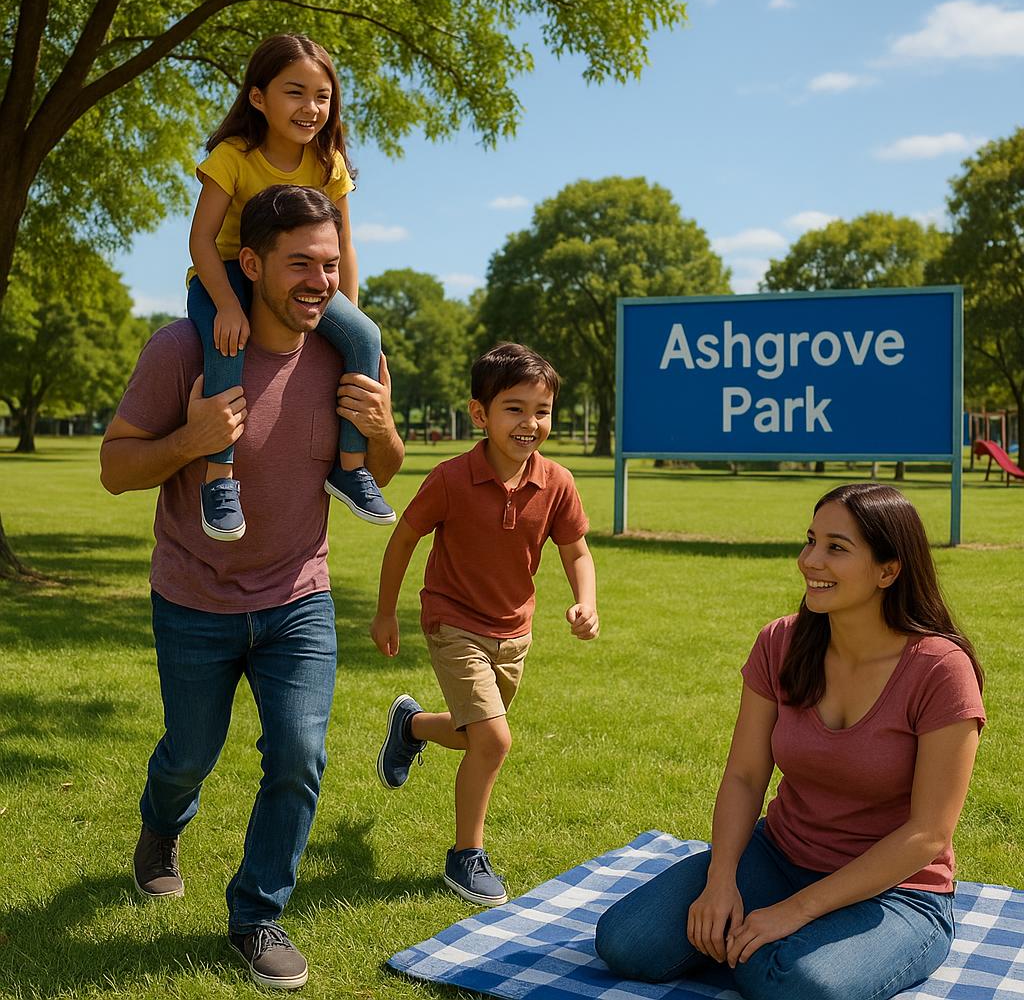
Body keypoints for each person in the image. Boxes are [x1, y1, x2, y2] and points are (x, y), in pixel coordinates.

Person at [100, 185, 404, 991]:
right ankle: (161, 829)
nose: (318, 281)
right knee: (188, 756)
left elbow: (381, 473)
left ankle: (257, 913)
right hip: (194, 601)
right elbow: (114, 468)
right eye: (299, 262)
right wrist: (190, 440)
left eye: (331, 265)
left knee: (300, 755)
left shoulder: (353, 354)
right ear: (250, 264)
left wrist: (383, 433)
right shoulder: (180, 351)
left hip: (298, 599)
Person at [595, 483, 985, 1000]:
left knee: (787, 981)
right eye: (810, 540)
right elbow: (745, 775)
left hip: (897, 892)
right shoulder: (779, 642)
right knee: (627, 941)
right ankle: (758, 942)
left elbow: (927, 835)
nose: (809, 561)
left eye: (835, 548)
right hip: (780, 856)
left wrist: (795, 912)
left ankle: (773, 948)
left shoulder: (939, 670)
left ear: (888, 571)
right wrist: (721, 879)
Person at [370, 343, 600, 906]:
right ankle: (465, 856)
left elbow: (577, 552)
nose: (531, 423)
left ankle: (413, 726)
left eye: (542, 410)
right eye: (514, 409)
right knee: (494, 739)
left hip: (513, 631)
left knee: (476, 735)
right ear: (480, 414)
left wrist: (586, 600)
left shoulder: (558, 482)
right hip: (453, 621)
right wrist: (385, 611)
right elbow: (404, 539)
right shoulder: (451, 478)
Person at [187, 32, 395, 540]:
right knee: (226, 339)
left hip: (302, 277)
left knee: (366, 337)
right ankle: (219, 477)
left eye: (322, 96)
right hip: (227, 271)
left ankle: (349, 466)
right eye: (295, 92)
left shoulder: (328, 162)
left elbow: (343, 246)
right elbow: (200, 241)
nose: (311, 107)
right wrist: (227, 306)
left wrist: (345, 312)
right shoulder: (234, 156)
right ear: (259, 98)